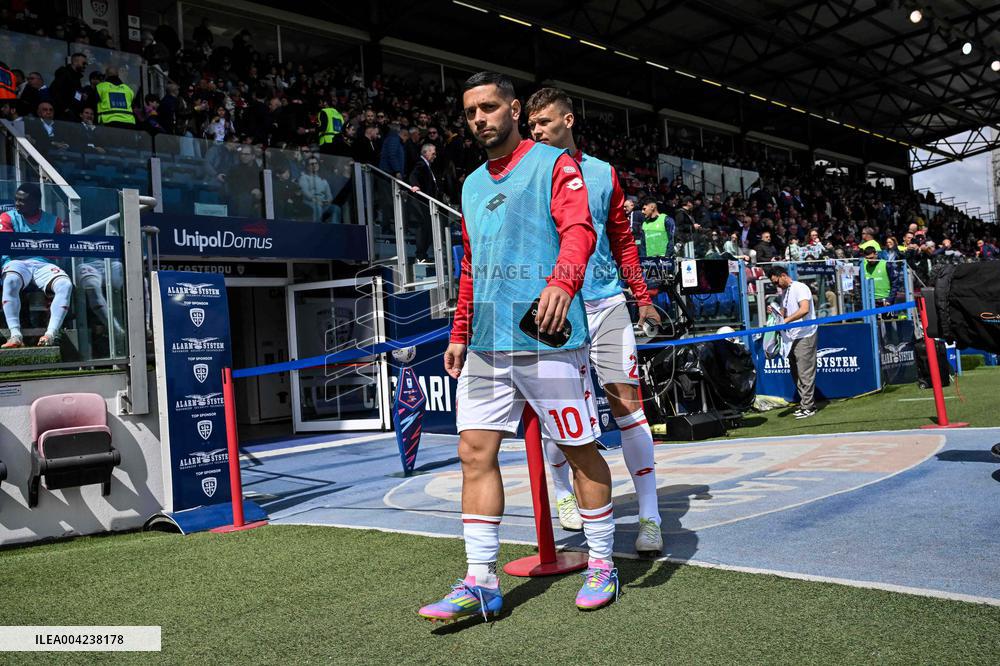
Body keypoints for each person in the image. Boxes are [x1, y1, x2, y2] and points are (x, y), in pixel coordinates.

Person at [418, 71, 616, 624]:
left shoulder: (555, 164)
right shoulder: (472, 184)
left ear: (513, 108)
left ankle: (602, 562)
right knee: (474, 454)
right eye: (470, 112)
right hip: (487, 340)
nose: (479, 118)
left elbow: (580, 230)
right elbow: (471, 264)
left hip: (548, 334)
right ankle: (480, 581)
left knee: (578, 449)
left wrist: (562, 281)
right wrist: (459, 332)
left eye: (488, 107)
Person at [527, 86, 663, 554]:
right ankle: (564, 493)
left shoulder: (603, 173)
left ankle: (650, 516)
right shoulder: (524, 175)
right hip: (554, 310)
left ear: (568, 120)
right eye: (532, 125)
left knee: (628, 406)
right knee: (558, 414)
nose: (537, 130)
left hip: (605, 302)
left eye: (544, 122)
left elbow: (623, 241)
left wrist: (641, 297)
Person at [1, 183, 73, 348]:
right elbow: (7, 245)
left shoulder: (54, 221)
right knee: (11, 280)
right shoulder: (7, 217)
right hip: (16, 261)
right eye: (16, 200)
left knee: (65, 284)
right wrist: (41, 244)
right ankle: (15, 336)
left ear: (35, 202)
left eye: (22, 201)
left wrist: (34, 245)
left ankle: (50, 335)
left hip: (43, 264)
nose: (17, 203)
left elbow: (59, 252)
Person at [768, 265, 817, 419]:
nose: (776, 286)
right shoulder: (785, 292)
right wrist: (775, 311)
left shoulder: (800, 287)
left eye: (777, 282)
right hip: (791, 337)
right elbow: (784, 312)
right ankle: (804, 403)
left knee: (805, 372)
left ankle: (809, 406)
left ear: (783, 275)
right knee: (796, 372)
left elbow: (804, 309)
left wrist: (786, 320)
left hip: (805, 334)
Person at [408, 142, 439, 261]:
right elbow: (413, 175)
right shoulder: (420, 163)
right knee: (424, 228)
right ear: (425, 152)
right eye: (433, 153)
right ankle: (420, 255)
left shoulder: (427, 165)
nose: (435, 156)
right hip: (421, 203)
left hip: (427, 202)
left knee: (428, 229)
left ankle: (423, 254)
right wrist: (415, 185)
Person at [298, 156, 332, 223]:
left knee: (335, 208)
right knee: (317, 208)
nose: (314, 165)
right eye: (312, 164)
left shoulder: (323, 180)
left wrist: (327, 201)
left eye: (316, 163)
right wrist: (316, 201)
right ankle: (317, 229)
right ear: (307, 167)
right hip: (309, 202)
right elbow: (305, 192)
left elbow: (329, 195)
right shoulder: (304, 177)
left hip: (323, 202)